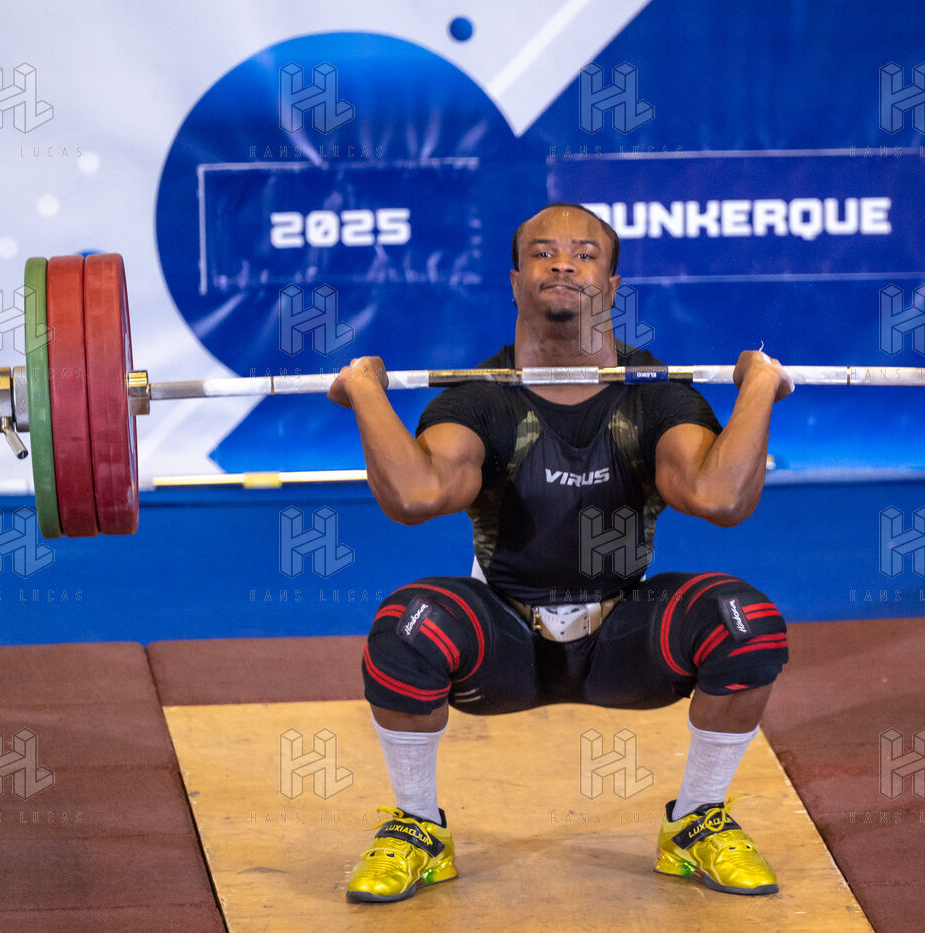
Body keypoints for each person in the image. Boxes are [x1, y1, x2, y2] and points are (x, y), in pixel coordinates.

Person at [327, 203, 794, 903]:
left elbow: (721, 498)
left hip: (626, 641)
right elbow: (416, 496)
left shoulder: (655, 393)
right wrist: (366, 392)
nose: (563, 264)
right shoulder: (479, 398)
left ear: (612, 284)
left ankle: (696, 819)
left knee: (745, 622)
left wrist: (758, 386)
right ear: (515, 281)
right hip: (503, 643)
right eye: (542, 253)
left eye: (585, 253)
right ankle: (418, 826)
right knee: (406, 626)